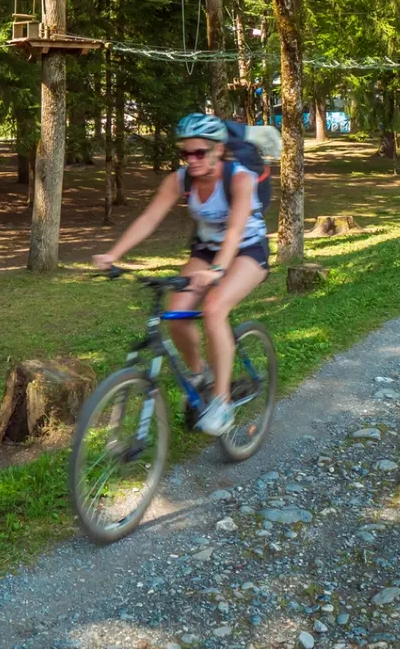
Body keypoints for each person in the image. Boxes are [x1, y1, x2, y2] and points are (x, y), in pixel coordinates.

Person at [92, 113, 270, 436]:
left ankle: (222, 402)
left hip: (248, 250)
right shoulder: (180, 180)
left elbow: (233, 233)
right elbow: (150, 219)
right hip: (206, 251)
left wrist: (217, 271)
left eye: (199, 152)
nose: (192, 160)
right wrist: (113, 254)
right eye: (185, 153)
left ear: (218, 150)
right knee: (175, 314)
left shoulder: (240, 180)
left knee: (215, 307)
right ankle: (201, 375)